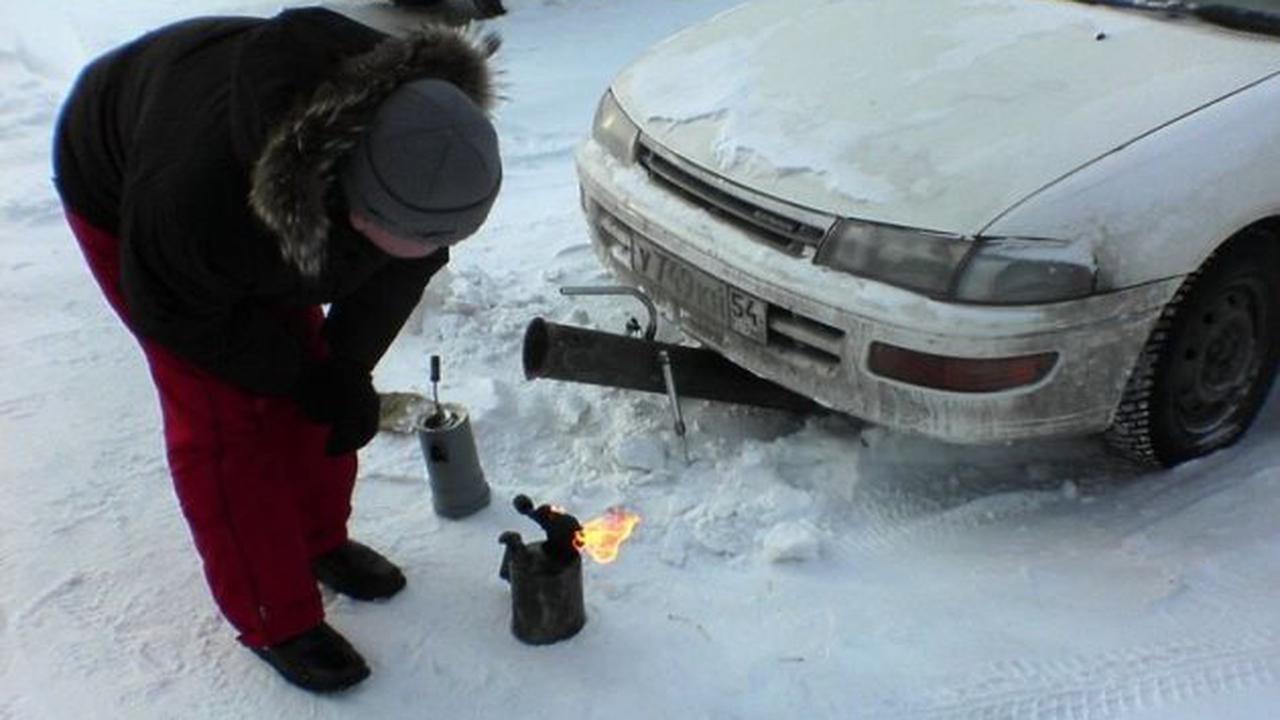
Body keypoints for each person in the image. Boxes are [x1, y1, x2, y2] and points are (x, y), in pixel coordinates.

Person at [52, 7, 501, 693]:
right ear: (355, 205)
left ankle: (319, 541)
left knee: (319, 381)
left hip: (268, 177)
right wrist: (298, 376)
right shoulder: (194, 204)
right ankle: (274, 615)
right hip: (130, 188)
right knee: (227, 417)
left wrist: (343, 367)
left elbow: (397, 269)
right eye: (405, 239)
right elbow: (179, 316)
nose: (426, 255)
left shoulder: (429, 139)